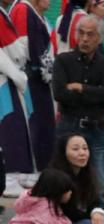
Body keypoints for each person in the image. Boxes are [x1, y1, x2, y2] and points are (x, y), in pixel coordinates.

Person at [51, 15, 104, 191]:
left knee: (98, 183)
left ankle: (98, 216)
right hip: (68, 125)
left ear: (100, 37)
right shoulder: (63, 60)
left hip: (97, 128)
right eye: (81, 33)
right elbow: (60, 94)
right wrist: (94, 92)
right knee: (63, 181)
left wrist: (80, 87)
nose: (85, 39)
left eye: (91, 34)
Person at [7, 0, 56, 184]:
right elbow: (20, 49)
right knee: (34, 123)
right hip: (31, 80)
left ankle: (40, 169)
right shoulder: (22, 9)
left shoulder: (34, 13)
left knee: (43, 124)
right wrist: (44, 71)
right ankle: (30, 171)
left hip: (40, 80)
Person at [0, 0, 36, 198]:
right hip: (4, 76)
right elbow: (15, 50)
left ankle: (12, 175)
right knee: (10, 126)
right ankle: (10, 177)